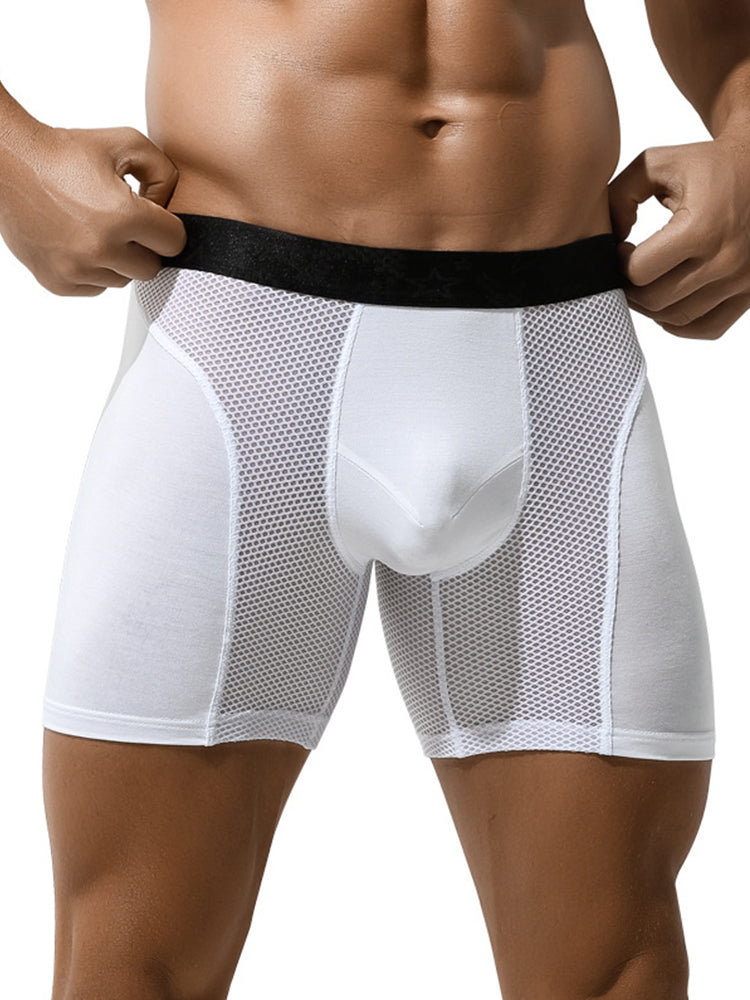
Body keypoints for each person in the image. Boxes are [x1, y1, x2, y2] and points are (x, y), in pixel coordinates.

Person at [0, 1, 746, 998]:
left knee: (620, 973)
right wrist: (12, 160)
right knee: (130, 970)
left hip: (563, 359)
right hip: (243, 349)